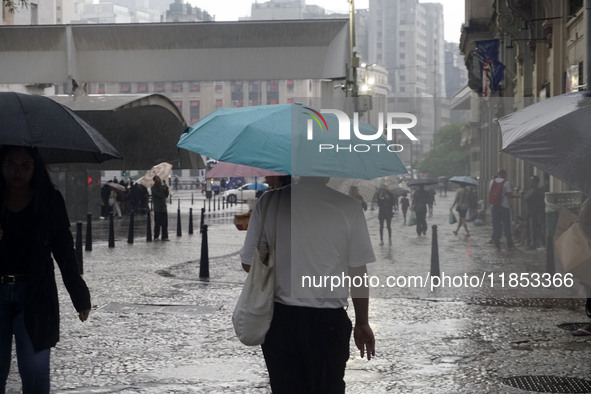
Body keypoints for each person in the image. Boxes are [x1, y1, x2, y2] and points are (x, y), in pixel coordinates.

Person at [240, 177, 375, 393]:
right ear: (330, 171)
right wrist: (362, 322)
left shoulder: (270, 202)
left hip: (281, 319)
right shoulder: (349, 207)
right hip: (328, 321)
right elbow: (357, 271)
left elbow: (248, 264)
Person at [0, 145, 91, 393]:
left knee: (35, 372)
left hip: (35, 296)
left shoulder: (49, 200)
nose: (17, 172)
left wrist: (79, 295)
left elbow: (64, 250)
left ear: (35, 168)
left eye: (24, 166)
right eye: (10, 165)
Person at [489, 169, 520, 251]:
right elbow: (509, 195)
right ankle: (509, 244)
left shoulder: (492, 181)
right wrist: (517, 196)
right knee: (506, 225)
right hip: (504, 206)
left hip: (494, 206)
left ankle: (497, 244)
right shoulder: (506, 182)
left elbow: (491, 192)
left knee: (496, 225)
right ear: (505, 175)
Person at [523, 175, 545, 249]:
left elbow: (526, 198)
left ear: (535, 182)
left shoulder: (535, 191)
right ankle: (530, 242)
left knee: (532, 227)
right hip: (530, 211)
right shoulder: (532, 190)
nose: (530, 182)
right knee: (529, 227)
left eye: (532, 181)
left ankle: (533, 242)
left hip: (533, 212)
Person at [151, 175, 169, 241]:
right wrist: (163, 188)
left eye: (159, 178)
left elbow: (166, 195)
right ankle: (156, 236)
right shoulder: (153, 188)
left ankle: (165, 236)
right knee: (157, 223)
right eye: (157, 179)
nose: (159, 180)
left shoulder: (162, 187)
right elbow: (160, 195)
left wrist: (166, 188)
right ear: (155, 180)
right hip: (157, 208)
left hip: (163, 208)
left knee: (165, 224)